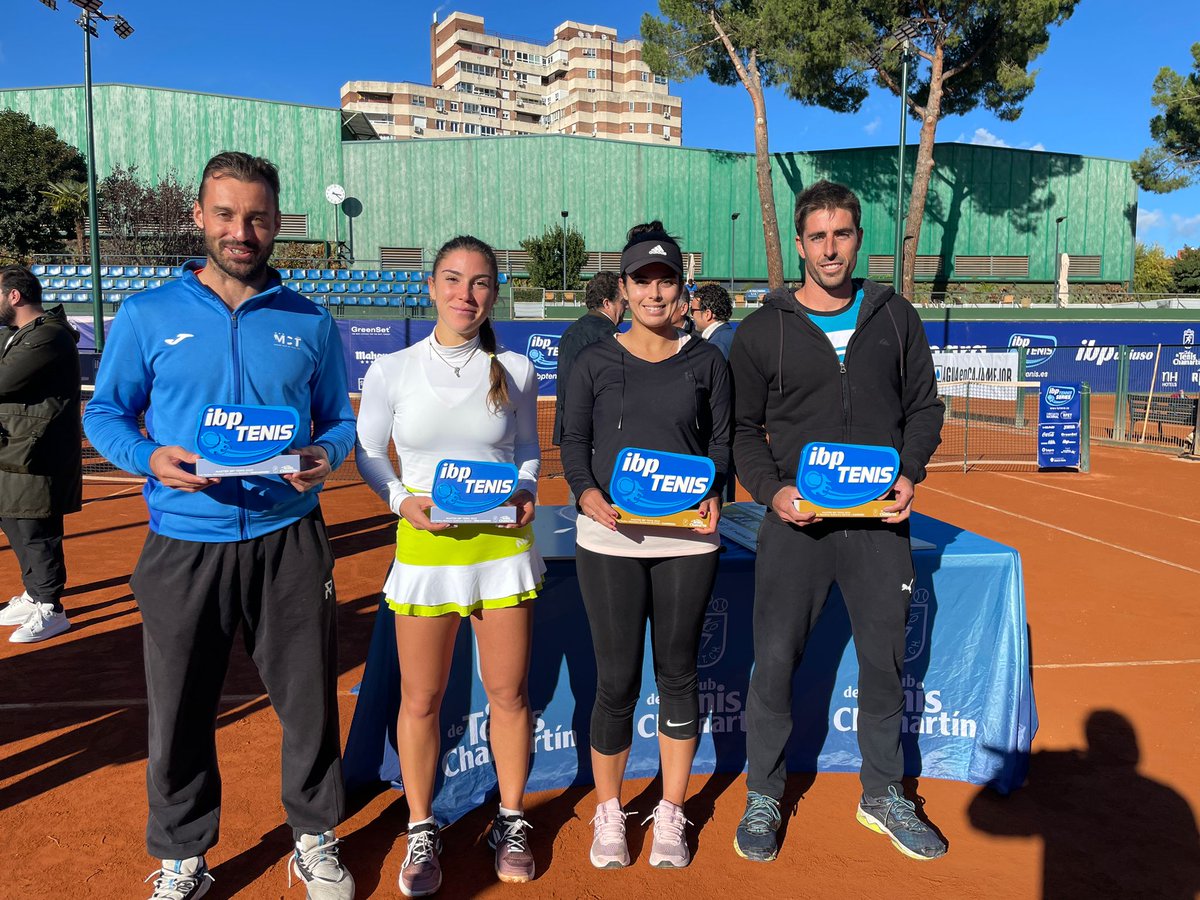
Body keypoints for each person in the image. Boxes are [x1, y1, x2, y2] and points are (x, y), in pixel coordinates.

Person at [83, 151, 357, 900]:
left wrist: (321, 457)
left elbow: (339, 422)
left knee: (307, 700)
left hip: (289, 539)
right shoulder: (147, 316)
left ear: (276, 225)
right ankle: (182, 854)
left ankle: (314, 836)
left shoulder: (309, 320)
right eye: (228, 215)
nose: (243, 231)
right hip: (183, 542)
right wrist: (147, 457)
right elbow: (104, 412)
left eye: (258, 217)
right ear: (199, 217)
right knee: (178, 707)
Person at [728, 180, 946, 863]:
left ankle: (882, 793)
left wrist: (909, 472)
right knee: (775, 665)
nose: (830, 248)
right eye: (817, 236)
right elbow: (739, 429)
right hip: (797, 528)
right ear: (800, 244)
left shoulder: (896, 317)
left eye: (842, 234)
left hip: (879, 526)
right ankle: (763, 793)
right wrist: (771, 491)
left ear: (858, 240)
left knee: (883, 665)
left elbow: (926, 409)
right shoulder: (764, 328)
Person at [355, 235, 543, 897]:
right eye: (454, 280)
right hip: (427, 552)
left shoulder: (518, 370)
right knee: (422, 699)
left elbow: (527, 451)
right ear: (432, 286)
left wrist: (524, 492)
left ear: (495, 292)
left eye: (482, 282)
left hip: (500, 553)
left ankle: (512, 819)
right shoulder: (391, 370)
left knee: (510, 695)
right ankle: (421, 825)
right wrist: (403, 501)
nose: (467, 294)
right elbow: (370, 453)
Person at [560, 222, 731, 870]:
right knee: (616, 682)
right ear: (625, 289)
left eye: (667, 279)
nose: (656, 291)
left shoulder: (708, 361)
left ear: (682, 289)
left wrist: (715, 484)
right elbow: (573, 443)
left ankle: (670, 812)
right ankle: (611, 813)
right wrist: (585, 494)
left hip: (688, 540)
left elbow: (720, 444)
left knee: (679, 675)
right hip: (609, 539)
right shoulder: (593, 362)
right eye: (643, 280)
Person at [0, 265, 81, 644]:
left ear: (13, 296)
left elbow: (4, 381)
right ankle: (33, 594)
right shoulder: (18, 335)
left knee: (36, 528)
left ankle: (51, 607)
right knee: (14, 520)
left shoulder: (49, 335)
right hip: (15, 448)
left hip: (38, 452)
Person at [552, 269, 625, 447]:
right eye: (622, 302)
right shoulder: (609, 334)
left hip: (570, 430)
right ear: (607, 303)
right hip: (597, 434)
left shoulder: (570, 331)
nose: (626, 307)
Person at [690, 283, 734, 361]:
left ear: (707, 314)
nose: (691, 315)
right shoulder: (730, 335)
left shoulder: (717, 345)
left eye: (692, 311)